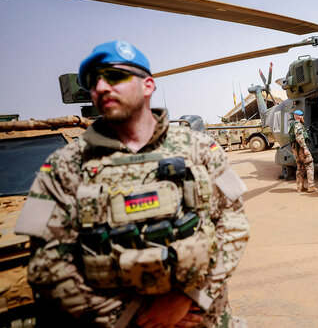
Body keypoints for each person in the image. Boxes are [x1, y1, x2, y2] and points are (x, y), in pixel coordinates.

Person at [14, 40, 249, 328]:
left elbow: (234, 226)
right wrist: (128, 317)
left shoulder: (200, 148)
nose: (100, 87)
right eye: (92, 81)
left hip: (202, 317)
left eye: (114, 76)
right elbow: (47, 265)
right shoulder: (62, 166)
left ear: (148, 85)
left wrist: (190, 297)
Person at [288, 110, 318, 193]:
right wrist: (305, 148)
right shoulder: (298, 125)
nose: (303, 118)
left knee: (300, 167)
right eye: (302, 116)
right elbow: (299, 137)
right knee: (309, 164)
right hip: (301, 149)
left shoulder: (292, 125)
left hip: (295, 149)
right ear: (298, 116)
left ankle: (300, 187)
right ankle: (311, 186)